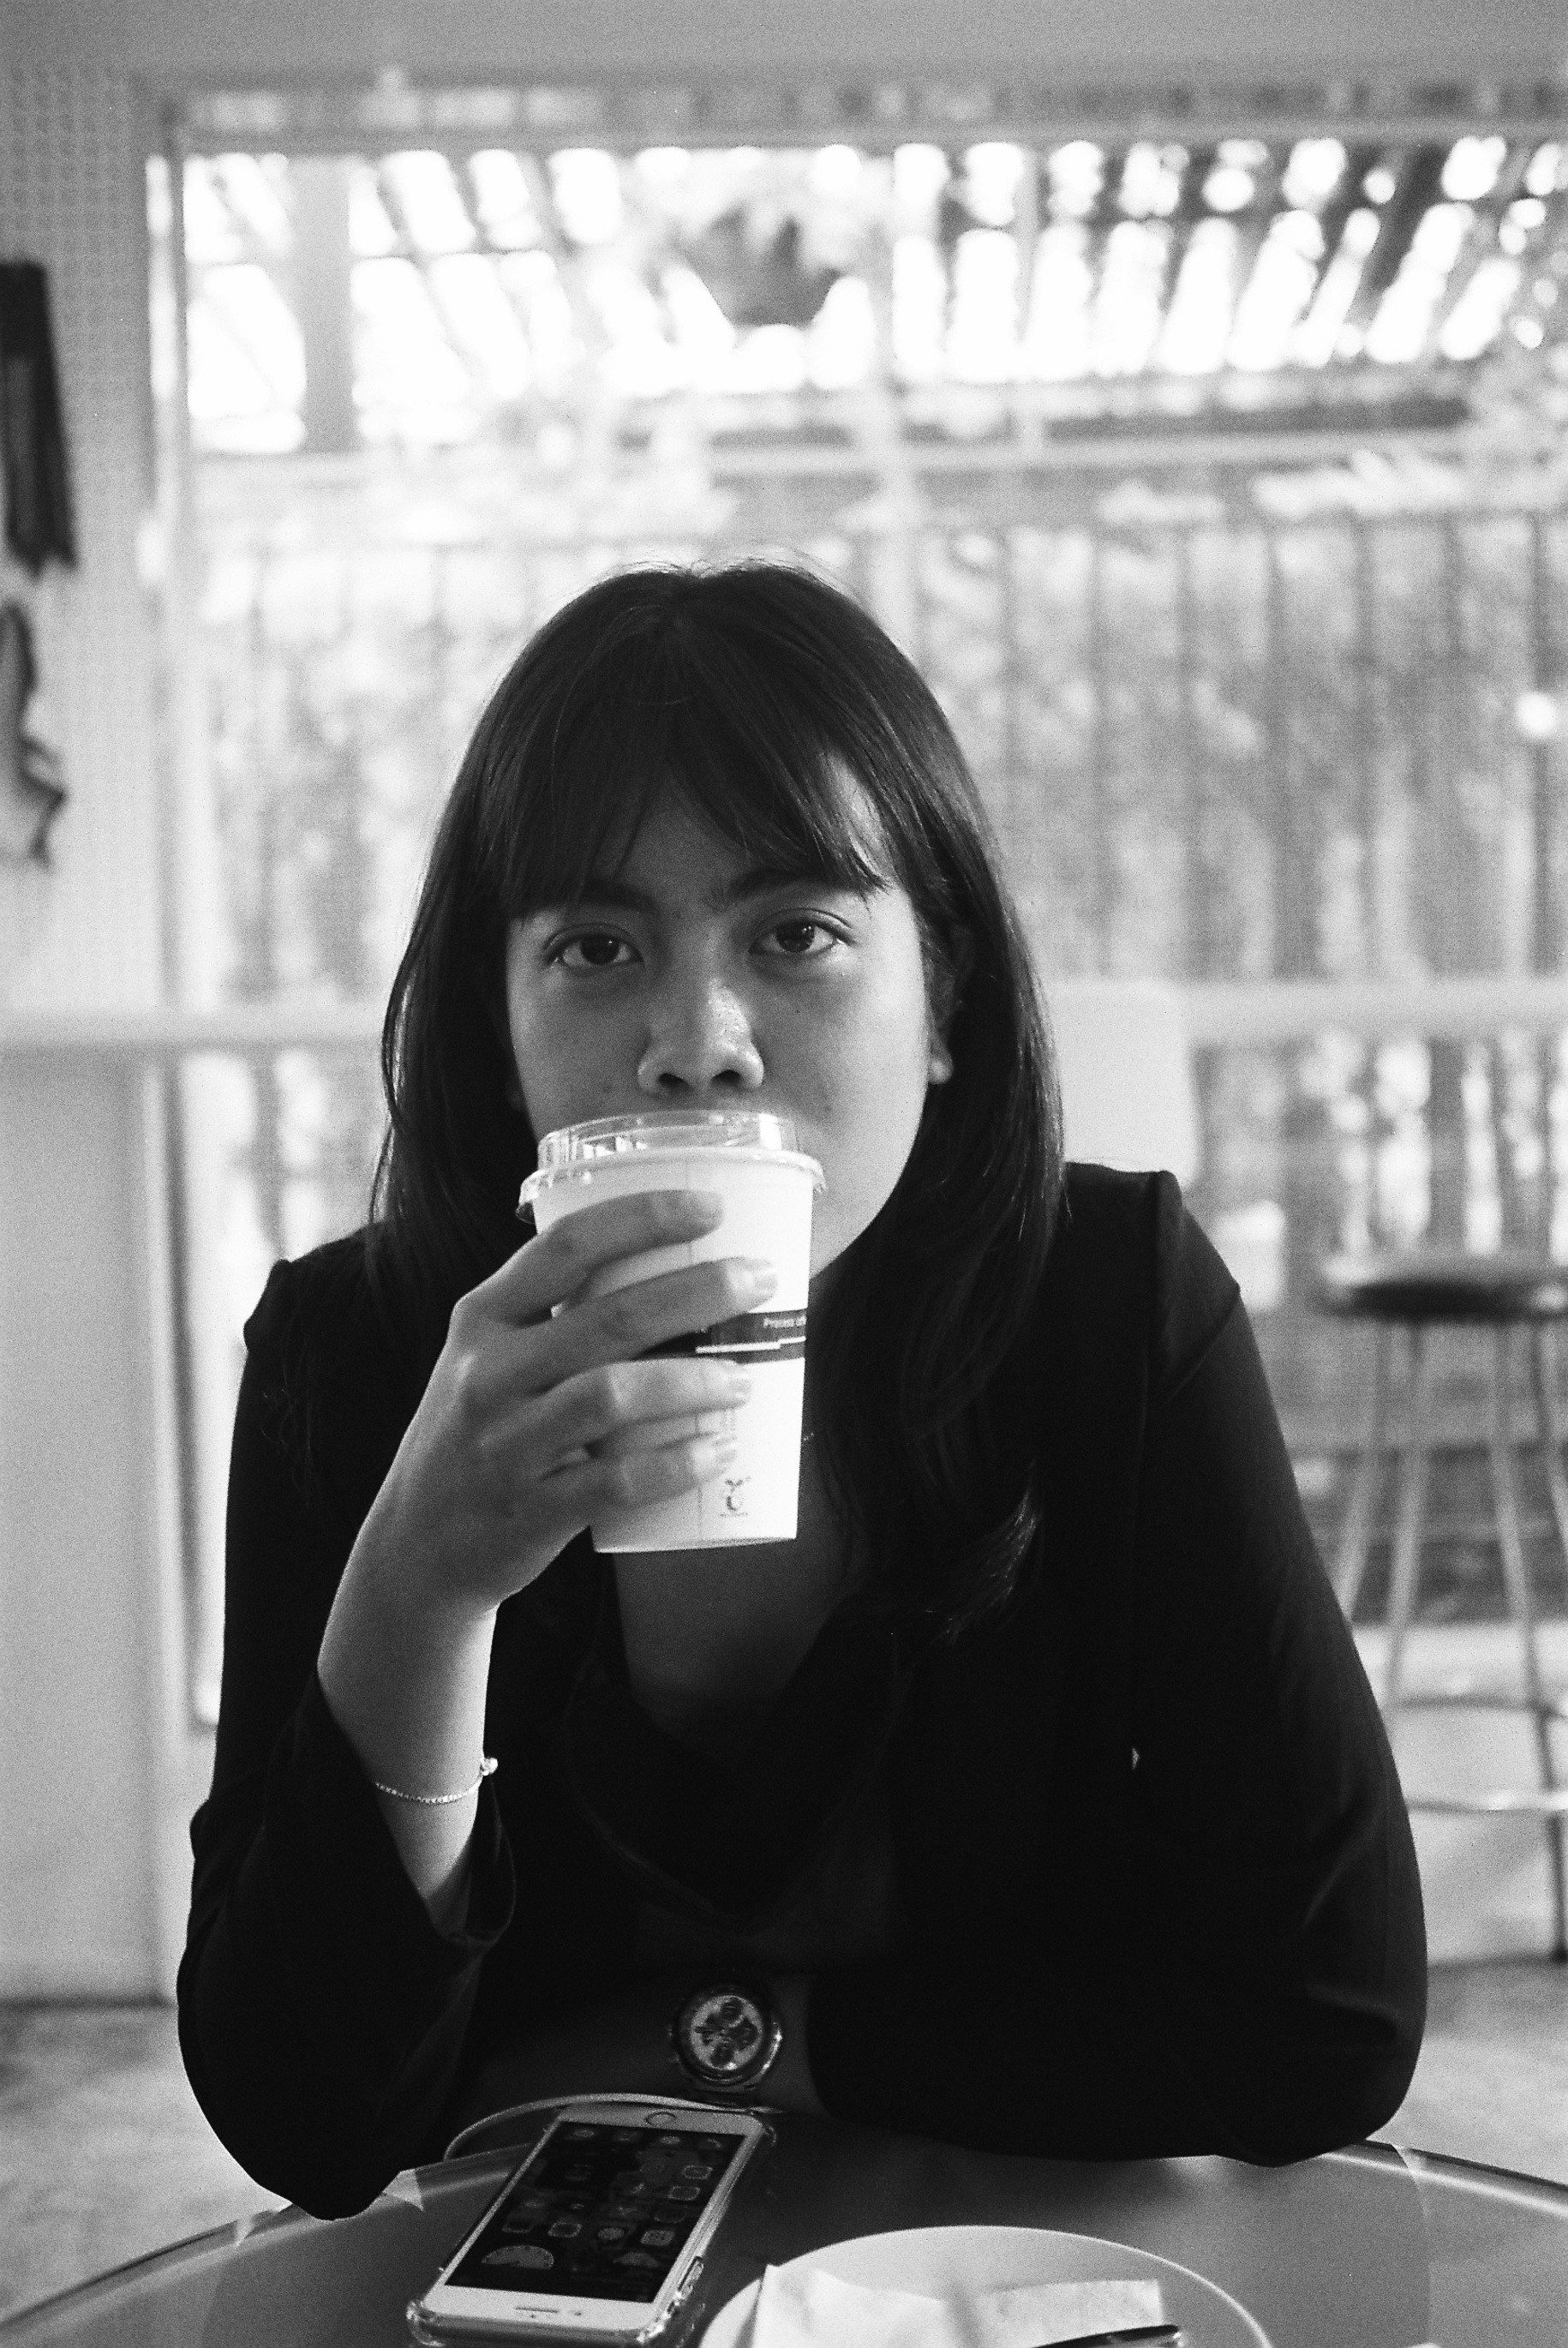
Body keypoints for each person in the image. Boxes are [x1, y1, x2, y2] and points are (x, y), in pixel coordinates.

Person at [178, 561, 1426, 2219]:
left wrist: (713, 2042)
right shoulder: (358, 1359)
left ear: (944, 999)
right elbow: (310, 2122)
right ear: (494, 1027)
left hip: (1016, 2281)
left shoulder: (1107, 1309)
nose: (698, 1039)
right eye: (598, 945)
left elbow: (1320, 2022)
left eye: (797, 934)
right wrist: (421, 1578)